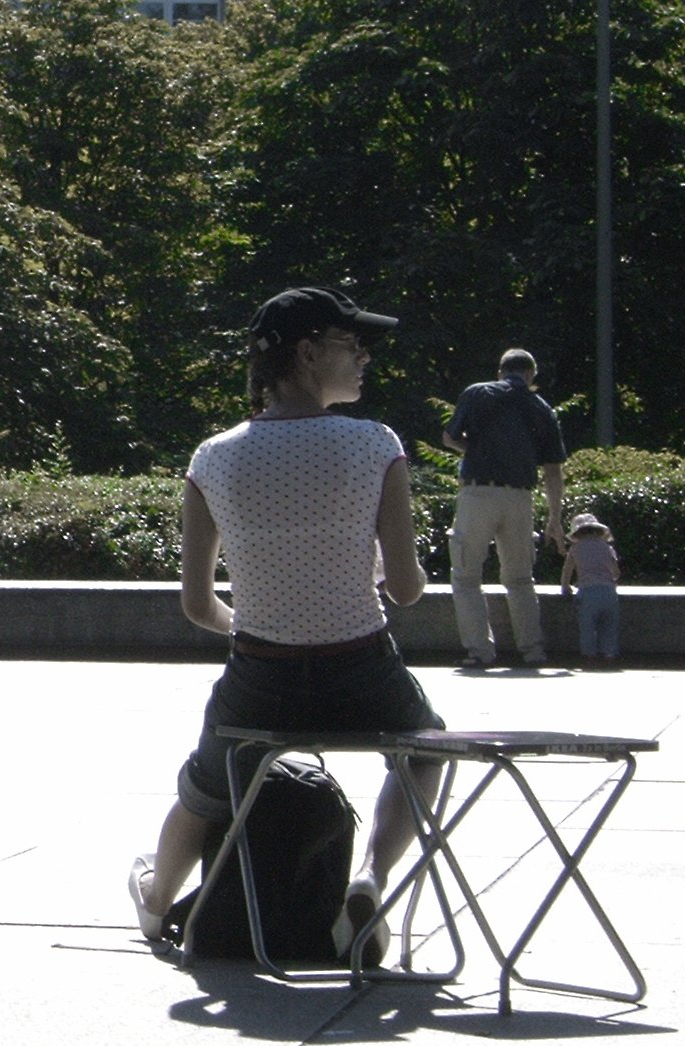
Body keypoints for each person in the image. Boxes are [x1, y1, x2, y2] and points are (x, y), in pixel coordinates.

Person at [127, 287, 446, 966]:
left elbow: (194, 603)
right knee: (425, 748)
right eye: (349, 344)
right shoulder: (375, 445)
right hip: (363, 670)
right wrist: (383, 579)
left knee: (206, 784)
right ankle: (369, 879)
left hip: (259, 675)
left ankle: (156, 899)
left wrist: (253, 622)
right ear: (306, 353)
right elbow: (409, 587)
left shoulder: (211, 457)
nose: (362, 357)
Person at [442, 349, 568, 668]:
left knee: (467, 576)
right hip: (520, 498)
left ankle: (480, 651)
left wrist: (474, 449)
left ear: (500, 371)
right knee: (520, 578)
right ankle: (533, 650)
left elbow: (449, 437)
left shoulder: (477, 392)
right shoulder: (541, 407)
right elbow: (553, 469)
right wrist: (555, 518)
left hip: (478, 493)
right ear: (531, 375)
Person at [560, 512, 621, 665]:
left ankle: (590, 656)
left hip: (587, 592)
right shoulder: (606, 547)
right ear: (598, 531)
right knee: (609, 626)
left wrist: (565, 587)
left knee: (588, 627)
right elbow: (616, 572)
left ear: (577, 533)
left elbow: (567, 571)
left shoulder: (575, 549)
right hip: (608, 592)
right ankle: (610, 656)